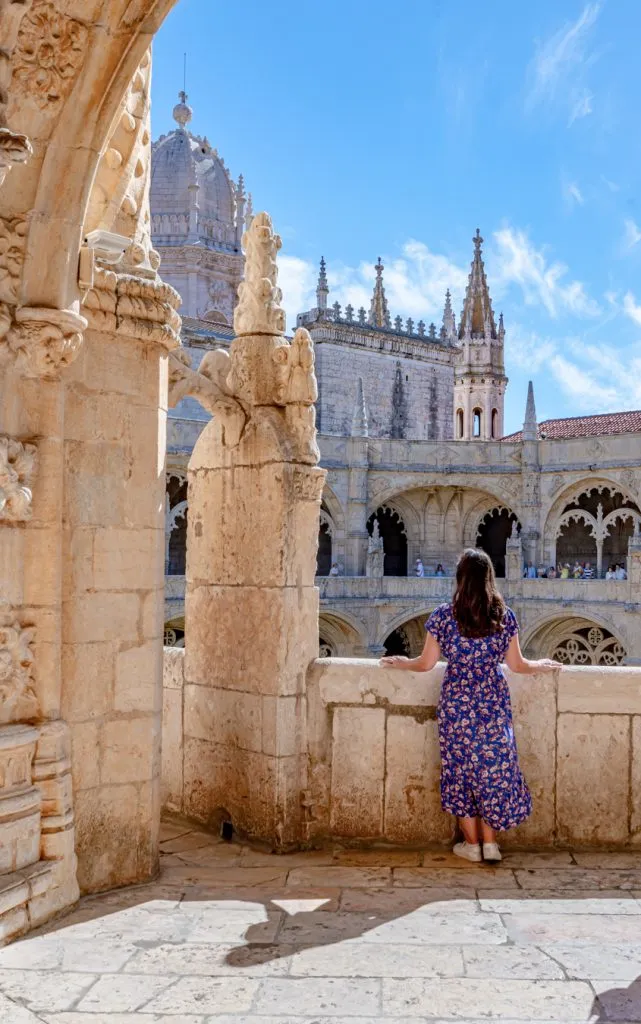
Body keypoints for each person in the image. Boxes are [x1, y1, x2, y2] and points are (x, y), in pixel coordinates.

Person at [381, 549, 561, 864]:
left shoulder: (443, 615)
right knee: (492, 769)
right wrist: (541, 665)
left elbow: (425, 665)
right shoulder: (503, 615)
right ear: (489, 578)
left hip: (457, 703)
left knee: (460, 769)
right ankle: (491, 844)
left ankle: (471, 844)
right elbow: (517, 666)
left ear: (460, 578)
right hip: (492, 701)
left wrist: (401, 663)